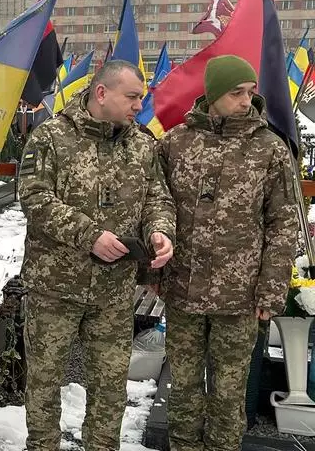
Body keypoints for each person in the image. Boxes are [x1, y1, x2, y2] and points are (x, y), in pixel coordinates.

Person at [18, 60, 176, 451]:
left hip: (114, 292)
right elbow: (35, 198)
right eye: (132, 96)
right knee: (43, 384)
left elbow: (158, 197)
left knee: (109, 389)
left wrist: (160, 230)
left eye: (142, 97)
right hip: (55, 288)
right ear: (101, 93)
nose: (139, 105)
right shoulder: (51, 138)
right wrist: (89, 235)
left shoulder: (142, 144)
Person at [156, 55, 297, 451]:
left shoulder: (269, 149)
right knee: (182, 385)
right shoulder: (176, 142)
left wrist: (271, 290)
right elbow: (155, 207)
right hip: (183, 288)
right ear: (213, 94)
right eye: (236, 93)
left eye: (250, 92)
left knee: (229, 390)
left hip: (239, 295)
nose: (245, 101)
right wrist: (154, 276)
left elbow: (282, 224)